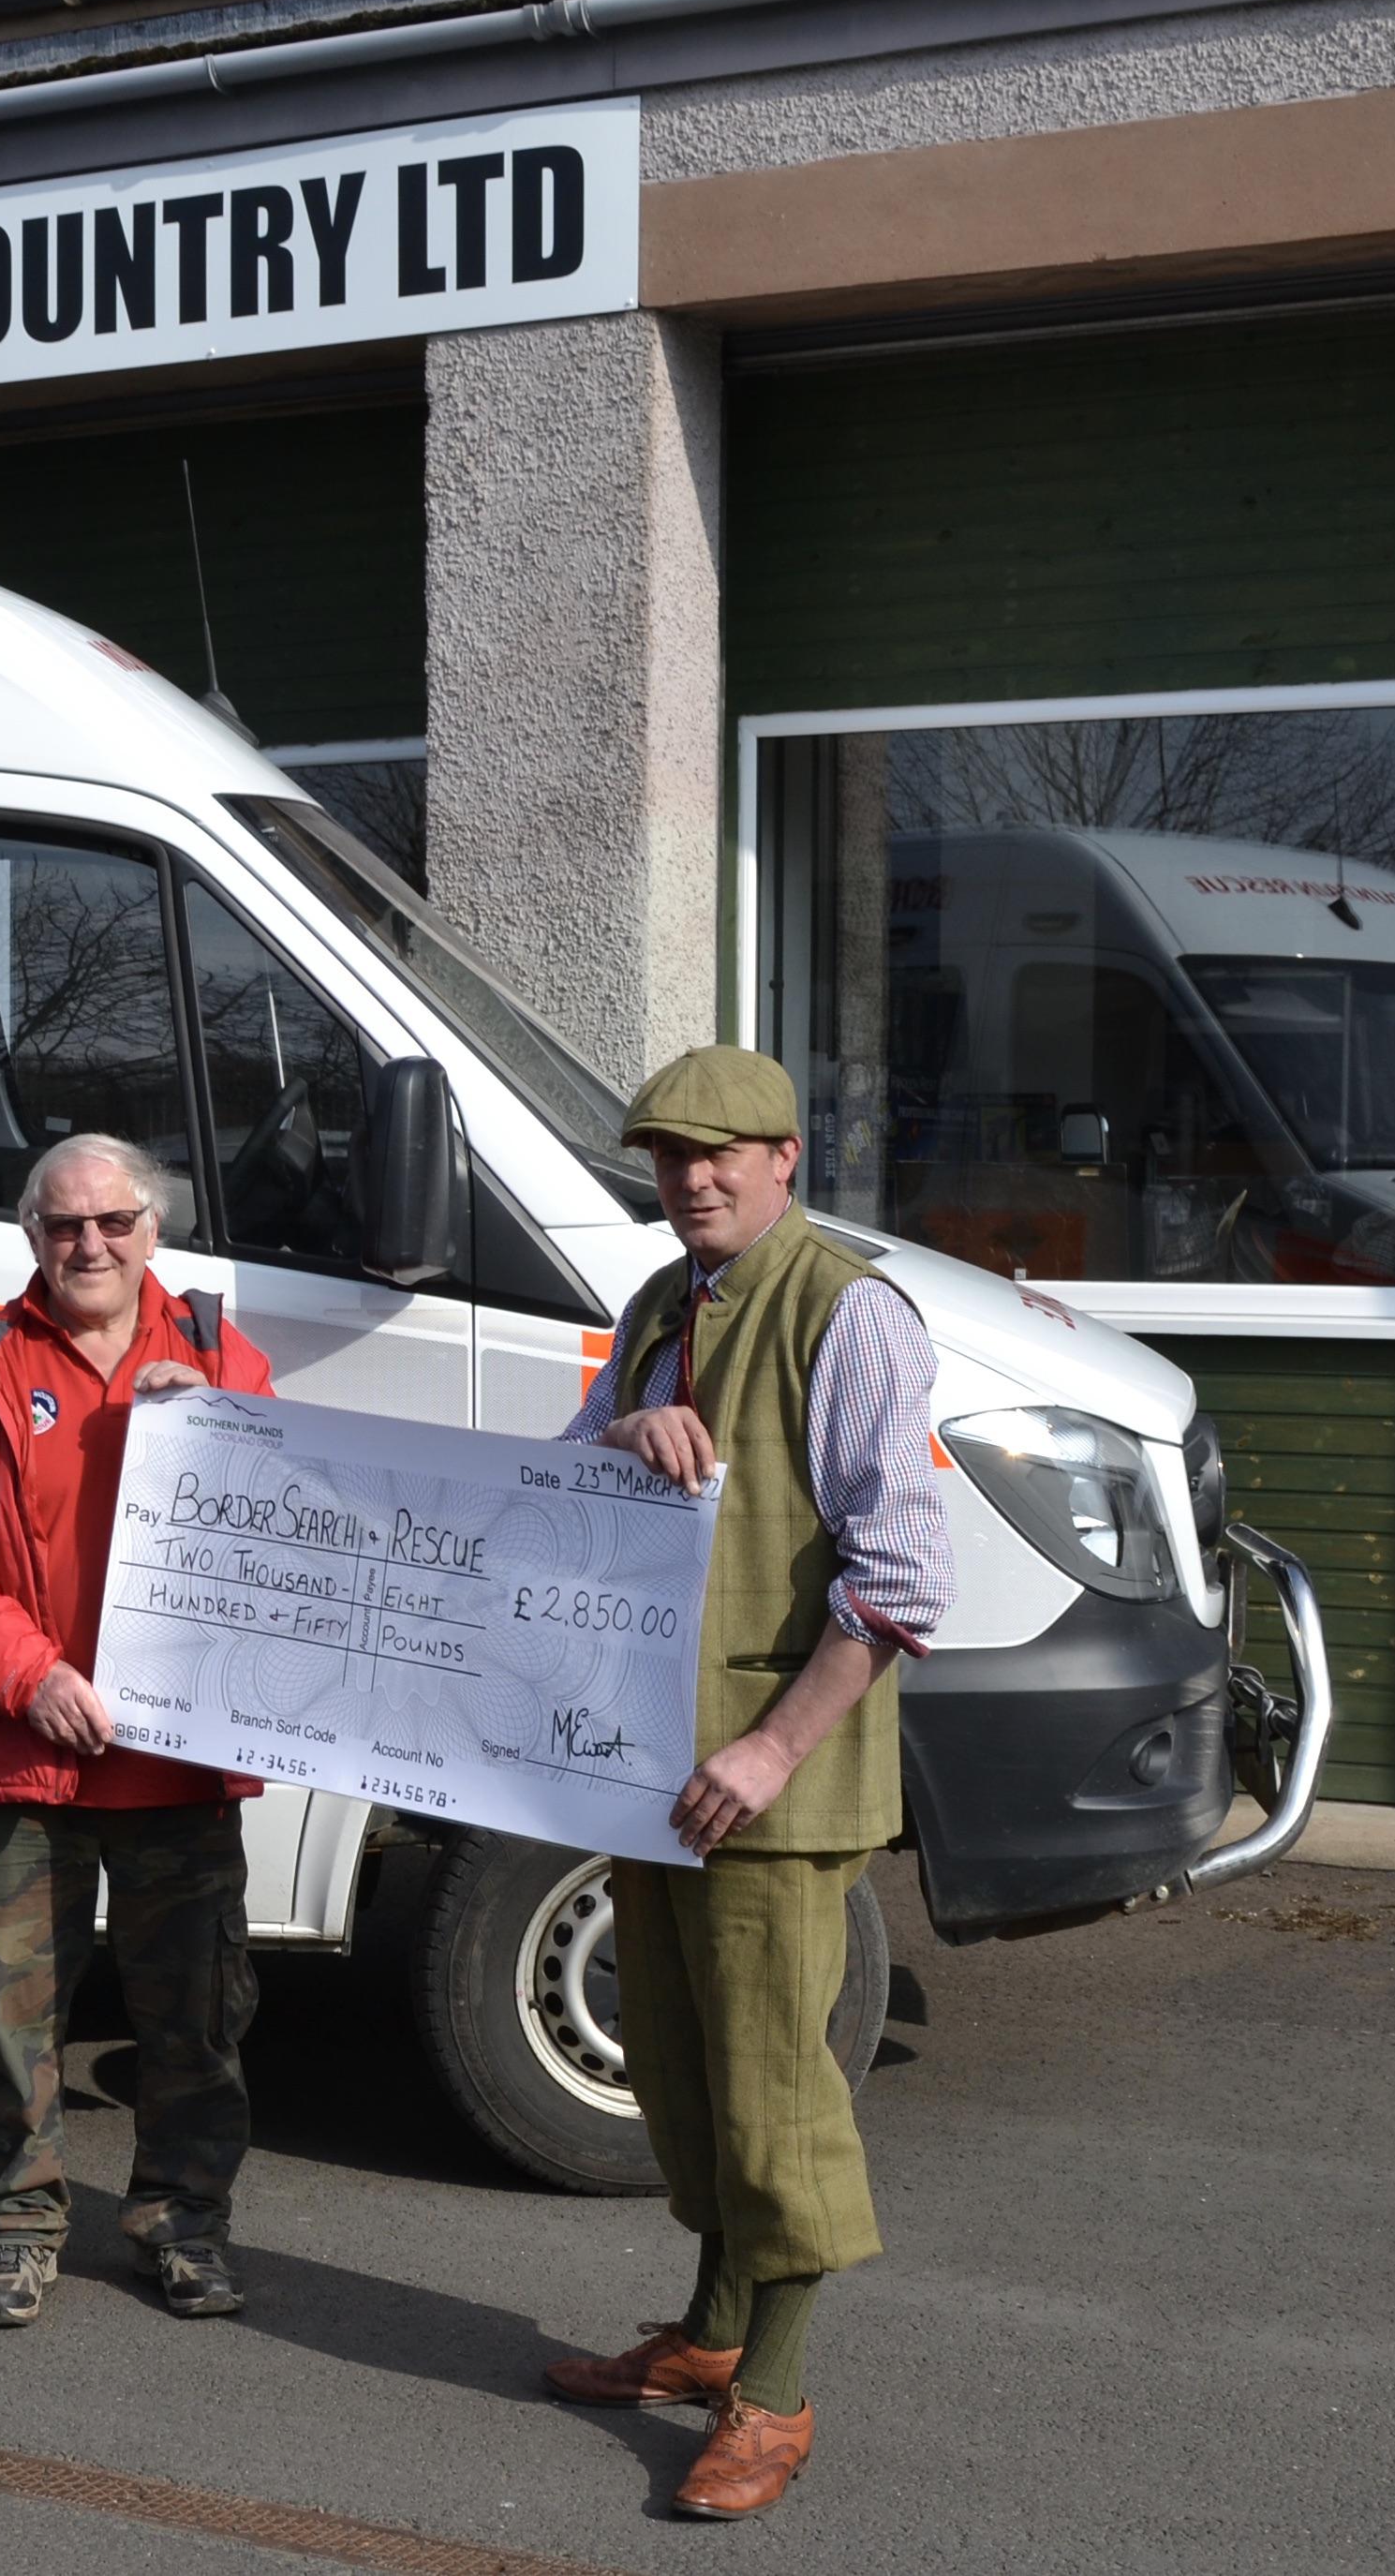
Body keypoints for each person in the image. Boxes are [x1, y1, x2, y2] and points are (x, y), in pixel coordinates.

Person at [541, 1046, 953, 2521]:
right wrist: (616, 1432)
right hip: (650, 1770)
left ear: (785, 1157)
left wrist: (772, 1745)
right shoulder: (662, 1305)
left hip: (762, 1784)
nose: (691, 1178)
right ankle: (710, 2331)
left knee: (773, 2094)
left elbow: (904, 1575)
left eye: (720, 1152)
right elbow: (561, 1490)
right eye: (666, 1155)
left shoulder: (850, 1313)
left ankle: (770, 2393)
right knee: (677, 2066)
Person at [0, 1133, 275, 2329]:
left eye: (113, 1222)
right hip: (22, 1751)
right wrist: (31, 1673)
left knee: (193, 2014)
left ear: (153, 1231)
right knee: (6, 2018)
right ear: (31, 1239)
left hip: (175, 1758)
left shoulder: (218, 1354)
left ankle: (182, 2223)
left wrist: (217, 1423)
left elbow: (287, 1520)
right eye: (64, 1227)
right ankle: (13, 2228)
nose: (89, 1244)